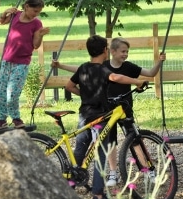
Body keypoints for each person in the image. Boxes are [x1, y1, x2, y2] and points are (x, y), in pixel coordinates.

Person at [54, 38, 165, 187]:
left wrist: (159, 61)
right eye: (123, 51)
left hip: (123, 108)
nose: (125, 54)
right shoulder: (102, 66)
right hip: (106, 110)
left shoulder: (129, 67)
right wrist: (60, 65)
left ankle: (147, 170)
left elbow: (151, 73)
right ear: (110, 51)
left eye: (127, 51)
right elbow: (81, 70)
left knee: (134, 139)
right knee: (109, 142)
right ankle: (111, 174)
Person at [66, 35, 151, 199]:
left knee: (79, 152)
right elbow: (116, 77)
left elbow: (68, 86)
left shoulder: (83, 67)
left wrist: (83, 95)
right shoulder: (101, 69)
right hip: (100, 117)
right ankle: (98, 196)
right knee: (100, 155)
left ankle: (69, 189)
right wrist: (137, 82)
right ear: (105, 51)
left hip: (84, 114)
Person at [0, 0, 50, 132]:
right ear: (26, 6)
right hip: (7, 60)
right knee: (0, 92)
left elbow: (36, 45)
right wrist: (5, 12)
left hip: (22, 62)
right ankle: (1, 119)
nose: (36, 14)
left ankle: (16, 118)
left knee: (12, 93)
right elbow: (0, 22)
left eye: (39, 12)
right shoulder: (15, 16)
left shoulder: (36, 23)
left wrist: (40, 36)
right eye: (35, 11)